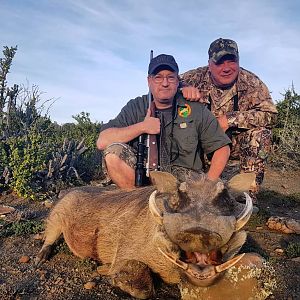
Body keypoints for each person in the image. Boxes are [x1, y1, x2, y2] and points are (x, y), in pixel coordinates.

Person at [97, 54, 231, 189]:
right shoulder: (135, 106)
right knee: (113, 153)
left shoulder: (195, 108)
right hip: (143, 184)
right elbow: (103, 141)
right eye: (158, 77)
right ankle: (139, 204)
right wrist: (142, 127)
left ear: (178, 81)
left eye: (170, 77)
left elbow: (222, 148)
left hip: (186, 184)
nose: (165, 83)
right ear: (149, 81)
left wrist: (208, 184)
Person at [181, 38, 278, 203]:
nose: (226, 68)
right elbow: (162, 85)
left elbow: (271, 115)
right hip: (197, 145)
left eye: (231, 61)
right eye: (219, 62)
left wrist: (229, 119)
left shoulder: (251, 82)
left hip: (231, 145)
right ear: (209, 64)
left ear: (238, 60)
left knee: (261, 134)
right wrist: (181, 89)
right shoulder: (192, 78)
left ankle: (245, 199)